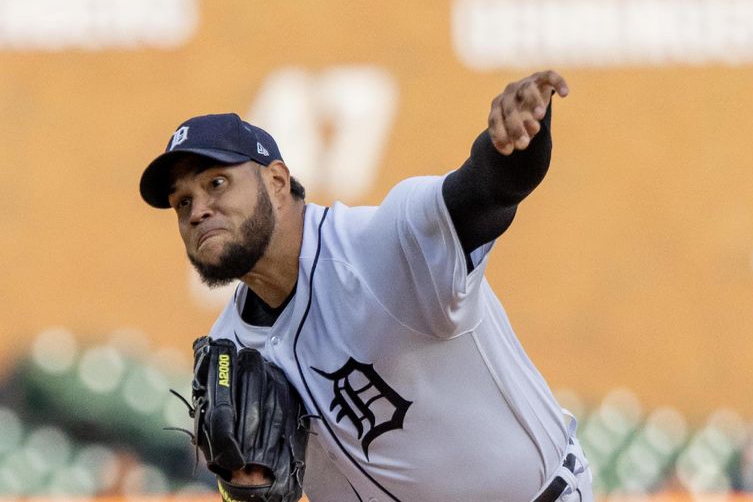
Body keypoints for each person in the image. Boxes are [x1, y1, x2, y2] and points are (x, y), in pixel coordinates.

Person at [139, 70, 593, 502]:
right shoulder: (227, 348)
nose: (197, 210)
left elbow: (486, 190)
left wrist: (518, 138)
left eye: (216, 183)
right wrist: (241, 487)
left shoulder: (383, 245)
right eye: (182, 203)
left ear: (277, 181)